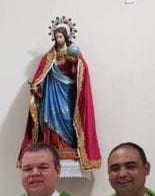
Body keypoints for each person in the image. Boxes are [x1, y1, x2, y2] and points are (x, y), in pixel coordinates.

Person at [20, 24, 101, 171]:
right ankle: (53, 147)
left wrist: (75, 62)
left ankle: (68, 146)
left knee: (67, 118)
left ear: (66, 37)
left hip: (67, 92)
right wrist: (37, 89)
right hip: (51, 95)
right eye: (56, 37)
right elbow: (42, 77)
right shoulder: (49, 57)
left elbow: (80, 72)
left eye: (60, 37)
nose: (58, 39)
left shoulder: (73, 52)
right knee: (51, 118)